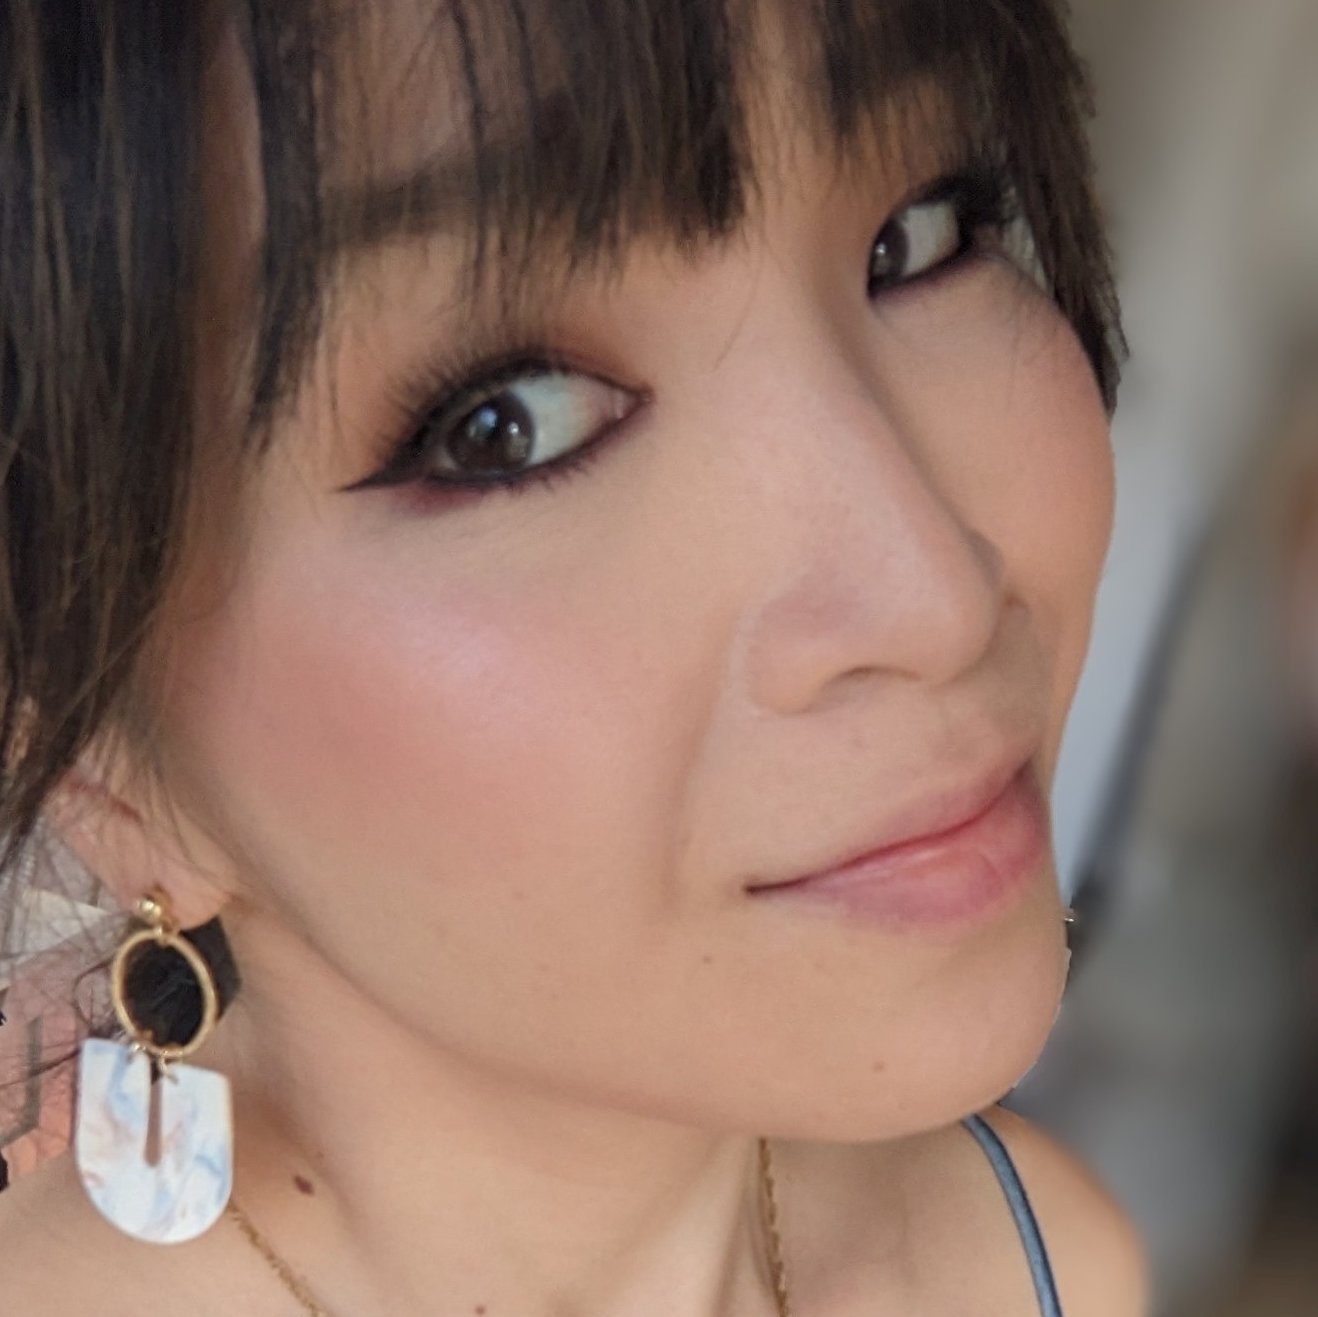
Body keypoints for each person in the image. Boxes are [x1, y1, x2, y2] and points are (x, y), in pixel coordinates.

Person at [0, 1, 1146, 1313]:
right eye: (508, 424)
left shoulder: (1039, 1262)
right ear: (93, 753)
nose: (937, 595)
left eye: (922, 233)